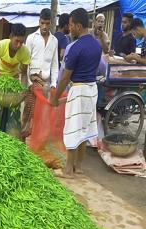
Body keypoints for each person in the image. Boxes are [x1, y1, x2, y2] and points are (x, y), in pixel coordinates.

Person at [51, 8, 102, 178]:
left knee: (73, 129)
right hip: (92, 89)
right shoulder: (96, 45)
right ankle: (78, 167)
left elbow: (65, 77)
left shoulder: (75, 47)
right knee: (85, 128)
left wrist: (55, 97)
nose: (69, 28)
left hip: (79, 90)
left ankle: (67, 170)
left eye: (71, 25)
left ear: (79, 26)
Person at [0, 23, 30, 138]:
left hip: (13, 82)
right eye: (16, 41)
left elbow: (23, 74)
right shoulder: (1, 46)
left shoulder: (24, 52)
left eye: (21, 42)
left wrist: (23, 90)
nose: (19, 45)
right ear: (11, 36)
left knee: (13, 114)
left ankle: (10, 138)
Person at [23, 8, 59, 138]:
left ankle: (36, 142)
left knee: (42, 115)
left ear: (51, 23)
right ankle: (23, 141)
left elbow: (55, 65)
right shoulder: (31, 38)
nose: (44, 26)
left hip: (46, 85)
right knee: (28, 113)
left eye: (47, 23)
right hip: (32, 82)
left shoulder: (54, 41)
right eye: (42, 23)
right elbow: (25, 63)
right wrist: (28, 83)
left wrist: (54, 83)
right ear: (39, 22)